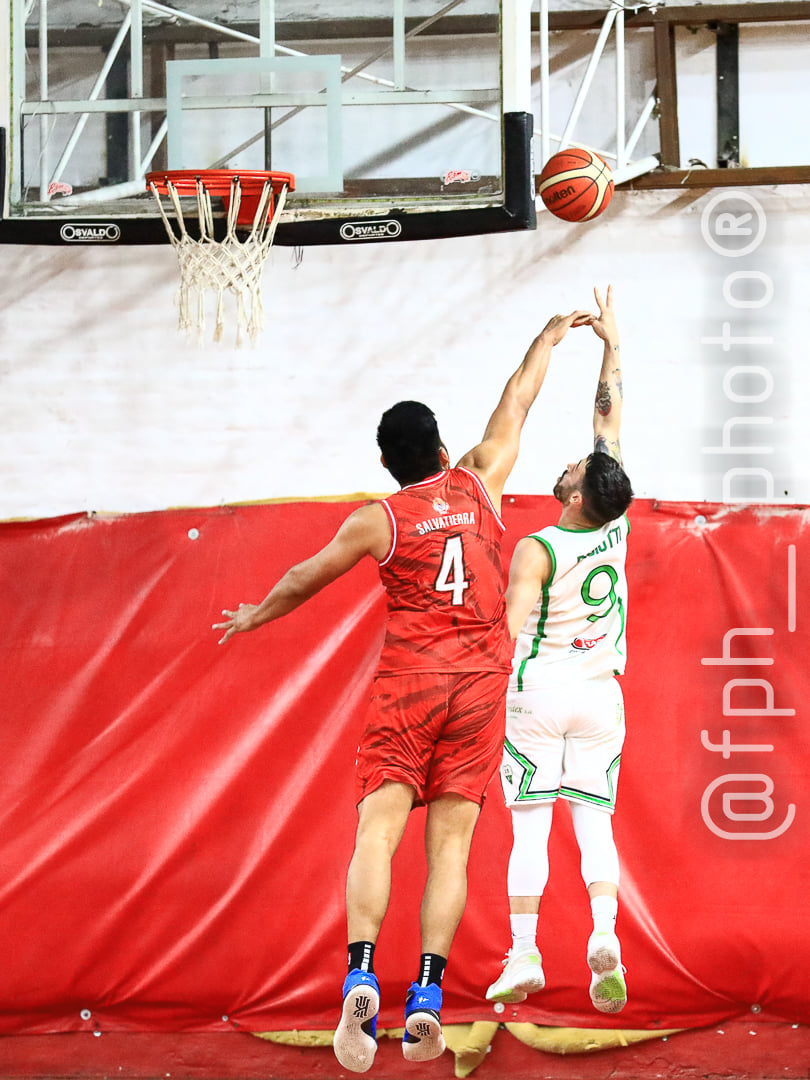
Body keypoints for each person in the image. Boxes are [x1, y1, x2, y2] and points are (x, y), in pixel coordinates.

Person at [213, 307, 592, 1073]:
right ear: (444, 449)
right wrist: (549, 338)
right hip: (482, 683)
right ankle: (427, 993)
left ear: (389, 465)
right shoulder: (480, 480)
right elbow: (518, 399)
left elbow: (303, 578)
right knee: (449, 845)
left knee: (377, 832)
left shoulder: (376, 519)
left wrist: (258, 614)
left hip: (410, 683)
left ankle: (360, 973)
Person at [485, 285, 634, 1016]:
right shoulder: (616, 520)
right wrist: (610, 342)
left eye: (573, 468)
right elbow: (608, 420)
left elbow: (508, 631)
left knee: (530, 830)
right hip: (601, 695)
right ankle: (605, 933)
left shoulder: (538, 547)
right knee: (595, 827)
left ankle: (523, 953)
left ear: (576, 496)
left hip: (540, 694)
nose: (572, 464)